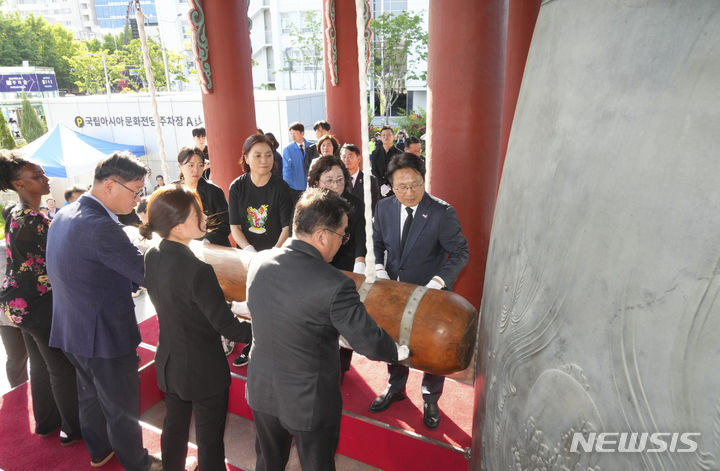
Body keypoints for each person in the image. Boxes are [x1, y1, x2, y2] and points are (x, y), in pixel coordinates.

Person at [246, 188, 404, 471]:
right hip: (309, 401)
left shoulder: (260, 261)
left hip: (263, 390)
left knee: (267, 464)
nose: (343, 242)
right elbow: (367, 341)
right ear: (321, 236)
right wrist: (396, 350)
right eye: (342, 235)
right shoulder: (334, 284)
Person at [47, 152, 161, 470]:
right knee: (121, 405)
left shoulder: (65, 213)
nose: (139, 199)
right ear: (110, 185)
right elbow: (146, 274)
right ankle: (137, 462)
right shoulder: (101, 227)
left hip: (72, 328)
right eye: (136, 191)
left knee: (90, 395)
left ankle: (99, 451)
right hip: (104, 336)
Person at [141, 185, 252, 471]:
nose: (204, 217)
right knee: (209, 439)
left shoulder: (152, 254)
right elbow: (226, 326)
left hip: (168, 360)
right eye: (196, 213)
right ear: (177, 226)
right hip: (203, 369)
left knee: (174, 427)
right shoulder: (198, 271)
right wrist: (267, 328)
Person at [369, 152, 469, 430]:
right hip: (395, 292)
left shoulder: (441, 212)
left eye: (415, 184)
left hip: (430, 293)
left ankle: (430, 397)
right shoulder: (384, 208)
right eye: (401, 186)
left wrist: (438, 282)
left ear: (424, 180)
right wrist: (378, 268)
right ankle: (395, 387)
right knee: (393, 341)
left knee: (430, 348)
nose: (409, 192)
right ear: (391, 185)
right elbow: (376, 242)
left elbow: (460, 252)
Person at [0, 152, 81, 447]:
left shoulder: (14, 211)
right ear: (19, 183)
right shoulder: (33, 220)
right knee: (60, 366)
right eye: (38, 176)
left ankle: (47, 421)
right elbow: (61, 258)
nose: (46, 179)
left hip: (18, 301)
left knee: (39, 361)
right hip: (36, 302)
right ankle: (73, 428)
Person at [228, 134, 293, 368]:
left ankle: (277, 345)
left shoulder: (281, 187)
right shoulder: (237, 187)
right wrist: (249, 250)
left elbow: (287, 227)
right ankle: (252, 342)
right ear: (246, 158)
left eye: (268, 155)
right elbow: (234, 227)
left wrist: (272, 254)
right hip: (247, 255)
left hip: (276, 254)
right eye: (257, 155)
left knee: (275, 304)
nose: (264, 160)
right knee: (250, 302)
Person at [307, 156, 368, 382]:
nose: (335, 186)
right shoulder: (308, 204)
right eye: (329, 180)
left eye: (340, 180)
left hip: (345, 264)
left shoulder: (355, 203)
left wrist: (360, 260)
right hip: (316, 266)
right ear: (316, 182)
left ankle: (341, 367)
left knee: (343, 315)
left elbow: (361, 235)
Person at [175, 146, 231, 247]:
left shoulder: (214, 191)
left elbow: (225, 224)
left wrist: (207, 239)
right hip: (182, 246)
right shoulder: (173, 190)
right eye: (191, 165)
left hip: (212, 246)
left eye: (200, 165)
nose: (196, 170)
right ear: (180, 166)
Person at [340, 144, 380, 215]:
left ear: (358, 159)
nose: (346, 159)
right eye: (343, 157)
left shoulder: (370, 180)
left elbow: (374, 205)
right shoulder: (337, 180)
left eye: (350, 156)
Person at [370, 125, 402, 199]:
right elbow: (374, 171)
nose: (385, 137)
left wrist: (390, 185)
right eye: (383, 135)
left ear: (394, 137)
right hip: (380, 189)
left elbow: (400, 172)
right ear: (380, 137)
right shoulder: (375, 153)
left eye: (388, 135)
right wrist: (382, 184)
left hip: (395, 189)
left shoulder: (400, 154)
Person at [282, 122, 310, 202]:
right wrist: (287, 187)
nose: (292, 136)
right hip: (295, 187)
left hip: (311, 186)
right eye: (291, 134)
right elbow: (286, 170)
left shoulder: (312, 147)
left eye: (295, 133)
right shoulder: (288, 149)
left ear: (302, 133)